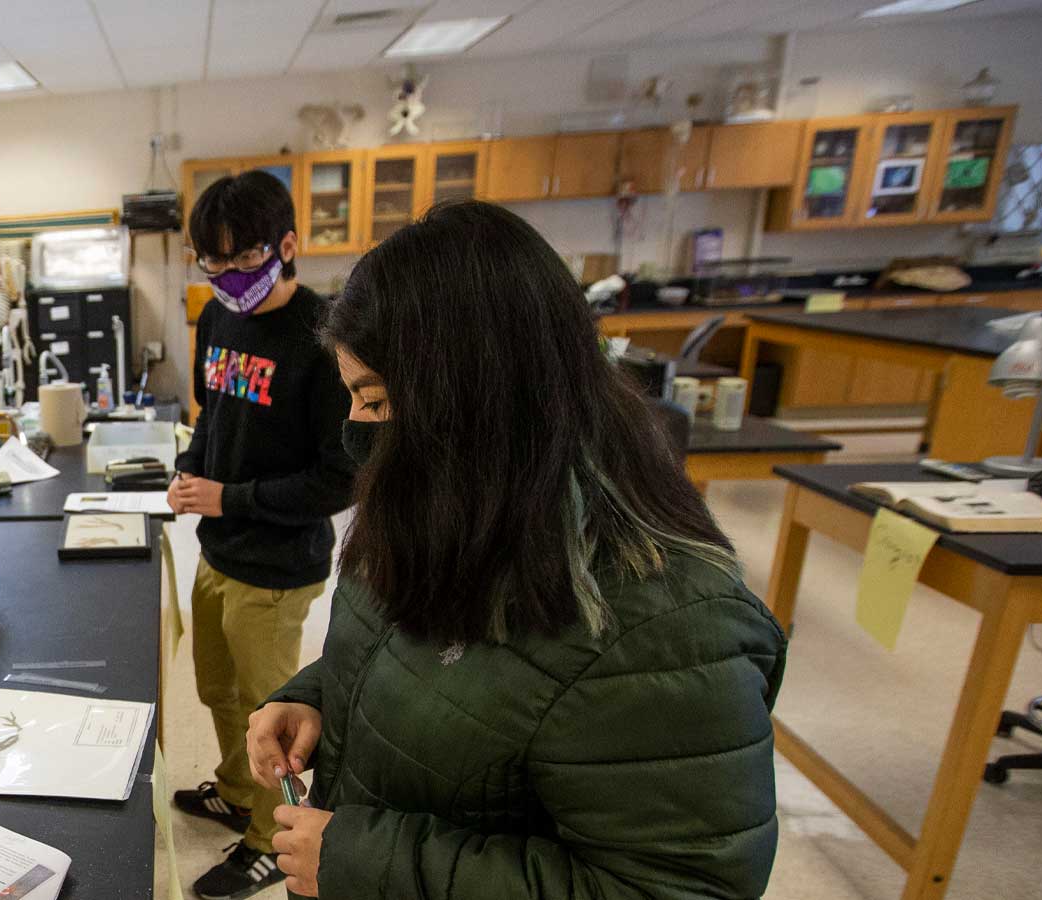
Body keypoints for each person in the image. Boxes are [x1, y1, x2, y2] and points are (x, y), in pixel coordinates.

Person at [249, 200, 787, 898]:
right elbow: (409, 656)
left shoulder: (662, 631)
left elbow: (675, 889)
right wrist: (316, 697)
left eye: (377, 403)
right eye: (353, 397)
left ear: (475, 403)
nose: (358, 430)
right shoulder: (449, 502)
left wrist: (369, 866)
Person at [167, 170, 355, 900]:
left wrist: (229, 496)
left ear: (286, 246)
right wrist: (190, 470)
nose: (228, 279)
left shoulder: (323, 337)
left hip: (278, 567)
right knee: (216, 690)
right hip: (220, 550)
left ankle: (268, 840)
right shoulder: (216, 318)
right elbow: (213, 413)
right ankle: (237, 793)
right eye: (211, 264)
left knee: (265, 712)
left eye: (243, 262)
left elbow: (339, 479)